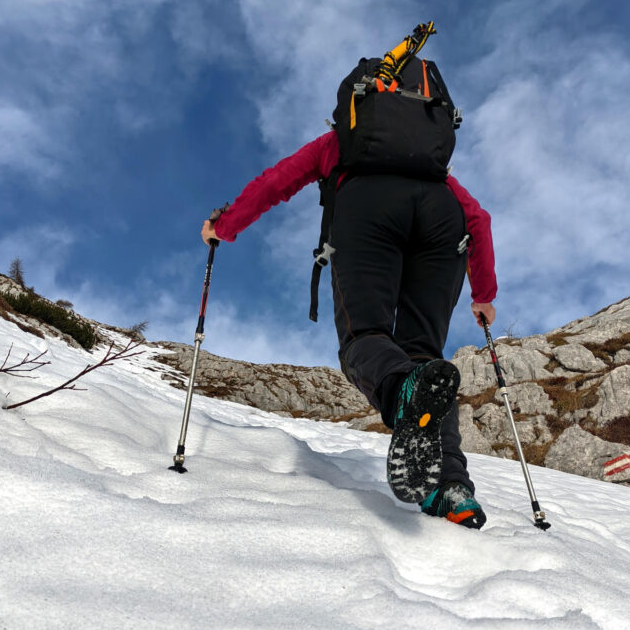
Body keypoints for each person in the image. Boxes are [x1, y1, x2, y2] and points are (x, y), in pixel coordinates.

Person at [201, 118, 497, 529]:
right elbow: (478, 219)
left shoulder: (340, 142)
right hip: (443, 223)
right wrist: (483, 294)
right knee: (424, 357)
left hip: (367, 211)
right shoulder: (433, 165)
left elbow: (278, 180)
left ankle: (399, 392)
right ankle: (451, 487)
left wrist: (224, 226)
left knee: (366, 336)